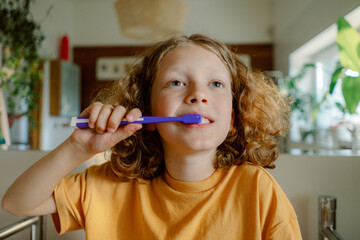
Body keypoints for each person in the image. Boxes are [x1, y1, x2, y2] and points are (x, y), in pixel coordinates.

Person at [2, 34, 302, 239]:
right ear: (147, 114)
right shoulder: (110, 185)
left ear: (234, 119)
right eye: (176, 82)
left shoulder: (258, 189)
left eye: (215, 84)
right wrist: (76, 148)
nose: (198, 95)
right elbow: (17, 203)